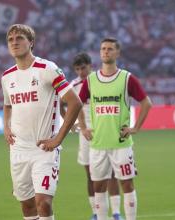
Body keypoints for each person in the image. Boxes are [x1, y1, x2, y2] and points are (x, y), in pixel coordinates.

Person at [1, 24, 81, 220]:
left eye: (19, 38)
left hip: (44, 149)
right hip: (19, 149)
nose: (14, 42)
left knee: (43, 203)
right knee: (27, 206)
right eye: (10, 40)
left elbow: (74, 102)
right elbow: (8, 104)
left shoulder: (47, 68)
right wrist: (6, 126)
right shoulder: (7, 76)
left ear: (31, 43)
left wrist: (58, 138)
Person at [79, 38, 152, 220]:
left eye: (110, 49)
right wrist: (83, 127)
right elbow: (77, 104)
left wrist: (135, 128)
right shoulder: (91, 80)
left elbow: (146, 103)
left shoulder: (127, 78)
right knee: (98, 187)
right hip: (98, 144)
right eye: (103, 48)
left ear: (117, 53)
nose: (106, 52)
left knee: (127, 184)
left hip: (121, 144)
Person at [63, 52, 124, 220]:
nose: (81, 72)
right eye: (77, 69)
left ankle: (116, 213)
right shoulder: (73, 85)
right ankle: (96, 213)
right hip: (86, 134)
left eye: (83, 68)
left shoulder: (101, 81)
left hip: (105, 131)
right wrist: (74, 125)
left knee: (110, 172)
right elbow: (61, 104)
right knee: (90, 174)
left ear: (90, 66)